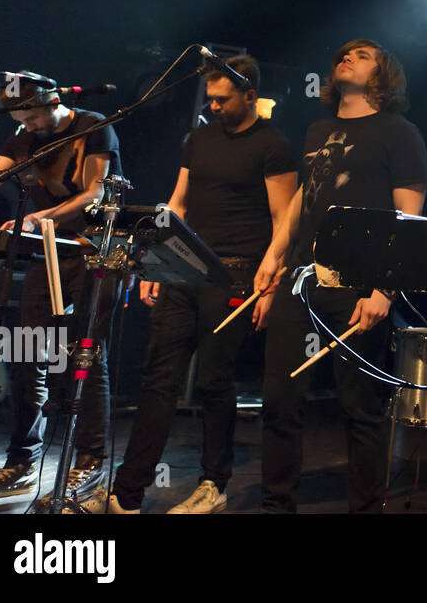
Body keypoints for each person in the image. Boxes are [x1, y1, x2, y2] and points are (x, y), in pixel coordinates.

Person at [89, 56, 297, 514]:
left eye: (224, 99)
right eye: (211, 99)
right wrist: (154, 262)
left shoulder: (273, 145)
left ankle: (213, 484)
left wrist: (273, 281)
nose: (216, 106)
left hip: (236, 271)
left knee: (213, 381)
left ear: (249, 94)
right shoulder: (198, 138)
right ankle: (127, 493)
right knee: (159, 377)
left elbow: (285, 219)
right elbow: (178, 202)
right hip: (184, 266)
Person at [257, 40, 427, 513]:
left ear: (383, 75)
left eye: (363, 54)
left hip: (357, 283)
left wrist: (384, 289)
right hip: (301, 281)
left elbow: (409, 218)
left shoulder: (400, 133)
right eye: (343, 53)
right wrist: (273, 256)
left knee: (362, 410)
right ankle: (276, 506)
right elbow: (301, 199)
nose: (346, 57)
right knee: (279, 401)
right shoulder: (318, 129)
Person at [0, 72, 122, 508]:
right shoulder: (20, 139)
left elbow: (93, 194)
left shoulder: (93, 126)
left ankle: (89, 460)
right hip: (45, 253)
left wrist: (35, 218)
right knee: (27, 353)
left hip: (93, 251)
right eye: (21, 120)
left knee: (84, 356)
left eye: (33, 117)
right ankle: (21, 462)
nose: (28, 127)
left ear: (53, 102)